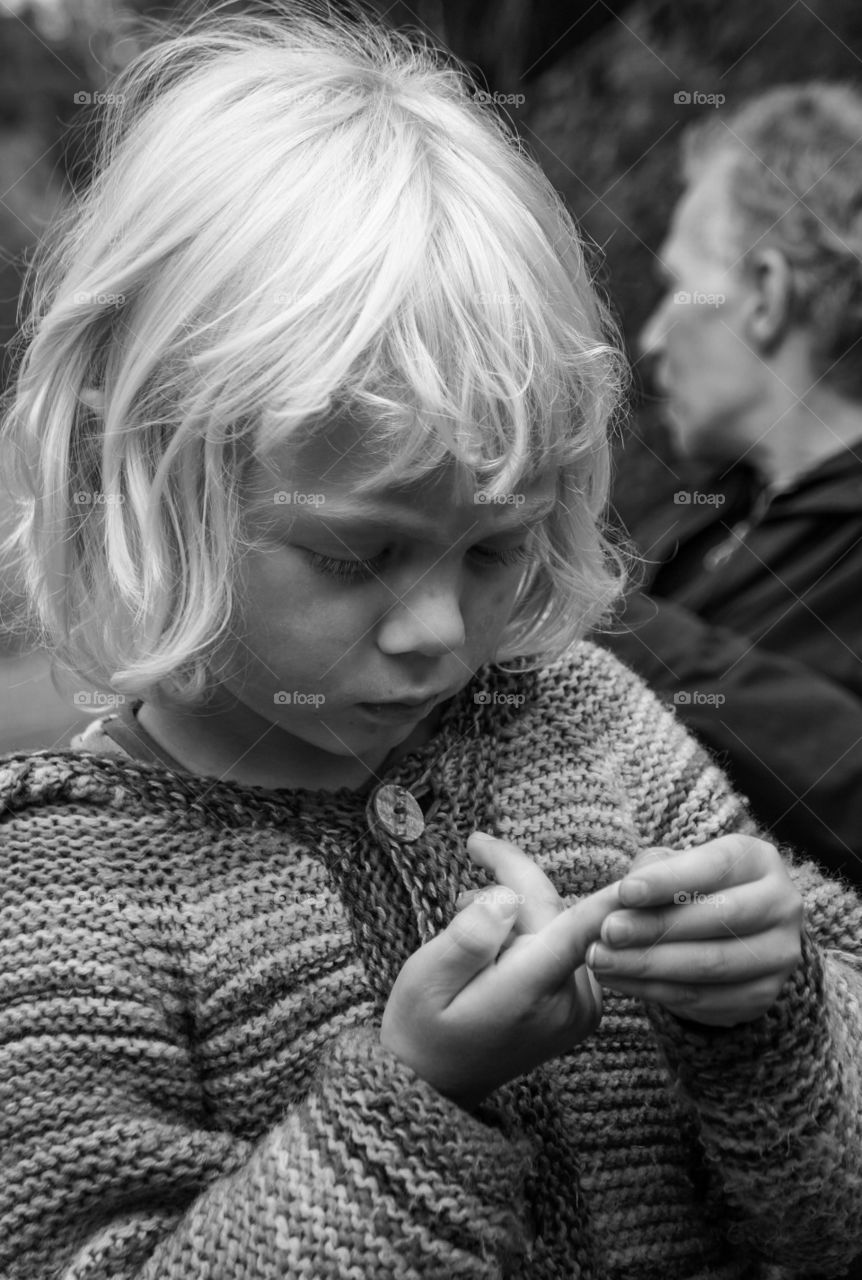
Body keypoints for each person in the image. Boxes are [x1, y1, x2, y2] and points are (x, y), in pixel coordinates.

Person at [0, 7, 860, 1276]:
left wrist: (771, 1009)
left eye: (493, 548)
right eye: (356, 556)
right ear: (146, 478)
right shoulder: (65, 889)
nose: (439, 631)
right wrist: (413, 1101)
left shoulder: (589, 725)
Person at [594, 83, 862, 887]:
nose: (651, 338)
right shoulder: (711, 518)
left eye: (679, 285)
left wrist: (586, 613)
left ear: (767, 295)